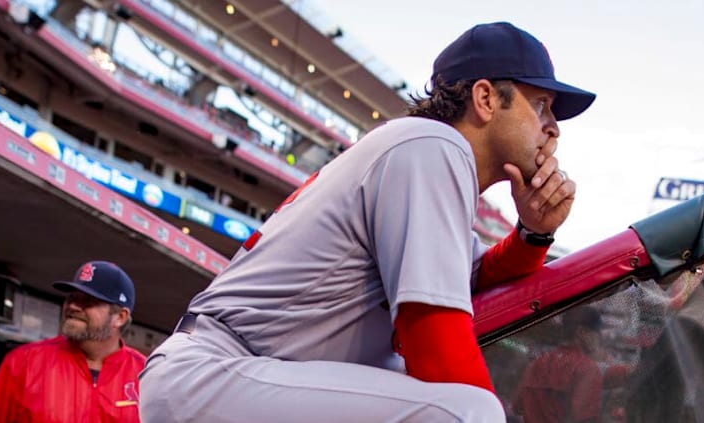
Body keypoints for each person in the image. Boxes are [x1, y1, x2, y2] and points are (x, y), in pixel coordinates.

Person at [139, 21, 596, 423]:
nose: (552, 126)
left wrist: (534, 232)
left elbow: (483, 275)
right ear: (485, 98)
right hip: (220, 372)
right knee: (468, 412)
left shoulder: (424, 157)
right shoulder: (432, 147)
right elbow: (432, 337)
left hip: (248, 379)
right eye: (540, 105)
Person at [0, 261, 146, 422]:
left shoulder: (146, 375)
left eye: (88, 301)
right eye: (72, 298)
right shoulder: (24, 362)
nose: (73, 306)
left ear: (120, 317)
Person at [513, 307, 605, 423]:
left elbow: (517, 407)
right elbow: (583, 419)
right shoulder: (587, 369)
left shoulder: (537, 363)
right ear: (582, 332)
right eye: (597, 332)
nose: (600, 338)